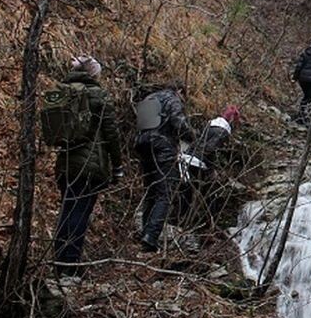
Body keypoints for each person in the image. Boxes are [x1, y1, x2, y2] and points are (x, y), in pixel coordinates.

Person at [49, 57, 123, 277]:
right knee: (79, 213)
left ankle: (60, 263)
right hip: (90, 166)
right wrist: (117, 166)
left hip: (65, 164)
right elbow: (112, 135)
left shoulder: (62, 91)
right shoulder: (98, 95)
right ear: (93, 74)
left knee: (67, 210)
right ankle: (70, 267)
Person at [133, 81, 195, 252]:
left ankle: (146, 233)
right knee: (165, 193)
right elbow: (180, 124)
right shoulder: (172, 99)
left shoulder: (149, 98)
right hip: (163, 148)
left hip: (143, 147)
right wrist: (191, 137)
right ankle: (151, 237)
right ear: (180, 90)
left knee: (150, 192)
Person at [176, 105, 241, 228]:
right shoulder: (223, 131)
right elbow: (210, 149)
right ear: (232, 121)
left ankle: (182, 222)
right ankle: (209, 225)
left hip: (186, 159)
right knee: (211, 195)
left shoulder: (210, 126)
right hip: (198, 163)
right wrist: (212, 169)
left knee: (186, 193)